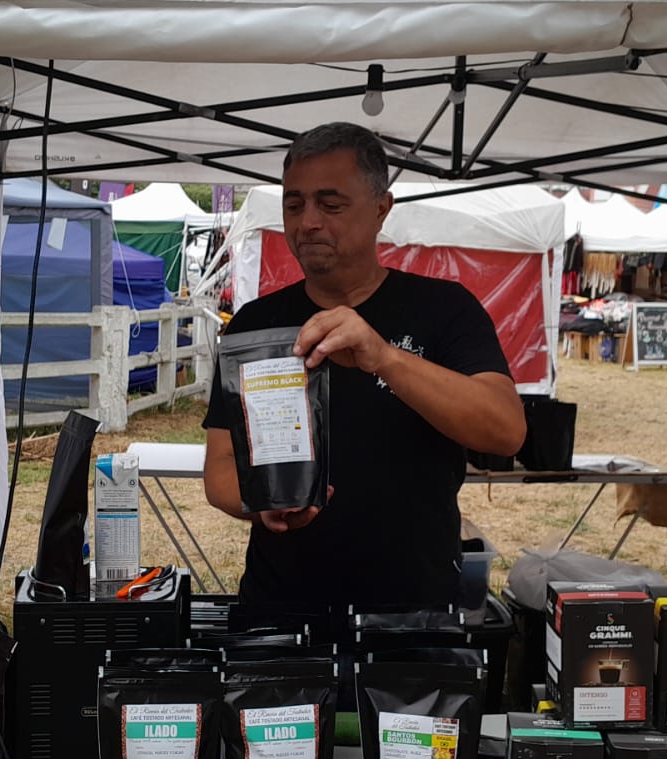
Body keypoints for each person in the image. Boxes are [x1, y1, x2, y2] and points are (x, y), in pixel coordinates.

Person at [202, 122, 526, 635]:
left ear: (381, 209)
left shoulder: (443, 310)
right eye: (294, 204)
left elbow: (505, 430)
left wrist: (384, 357)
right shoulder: (255, 324)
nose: (308, 222)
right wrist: (259, 504)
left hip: (412, 619)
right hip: (281, 613)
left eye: (330, 204)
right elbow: (220, 466)